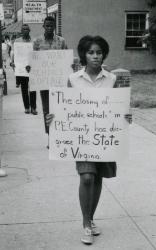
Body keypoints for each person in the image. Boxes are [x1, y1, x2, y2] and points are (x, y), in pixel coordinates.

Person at [46, 35, 132, 245]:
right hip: (81, 138)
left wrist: (125, 115)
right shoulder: (73, 79)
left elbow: (118, 107)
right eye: (91, 52)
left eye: (99, 52)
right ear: (84, 55)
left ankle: (91, 218)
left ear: (104, 54)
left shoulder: (111, 79)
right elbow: (64, 106)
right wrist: (53, 117)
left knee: (98, 177)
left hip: (103, 138)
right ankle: (86, 224)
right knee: (86, 178)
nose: (95, 56)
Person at [28, 16, 67, 145]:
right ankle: (51, 137)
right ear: (43, 26)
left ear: (55, 26)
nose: (49, 28)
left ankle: (59, 136)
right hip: (44, 83)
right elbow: (34, 61)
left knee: (59, 109)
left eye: (52, 26)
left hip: (59, 82)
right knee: (46, 110)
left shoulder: (62, 41)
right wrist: (30, 67)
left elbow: (66, 60)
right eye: (47, 26)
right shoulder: (37, 42)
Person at [11, 24, 37, 115]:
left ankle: (33, 107)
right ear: (21, 31)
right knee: (24, 88)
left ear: (29, 30)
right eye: (23, 29)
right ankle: (27, 107)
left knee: (33, 88)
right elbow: (14, 54)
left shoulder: (34, 41)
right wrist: (12, 62)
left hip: (32, 67)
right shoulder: (17, 41)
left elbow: (36, 54)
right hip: (21, 68)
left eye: (27, 29)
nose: (25, 30)